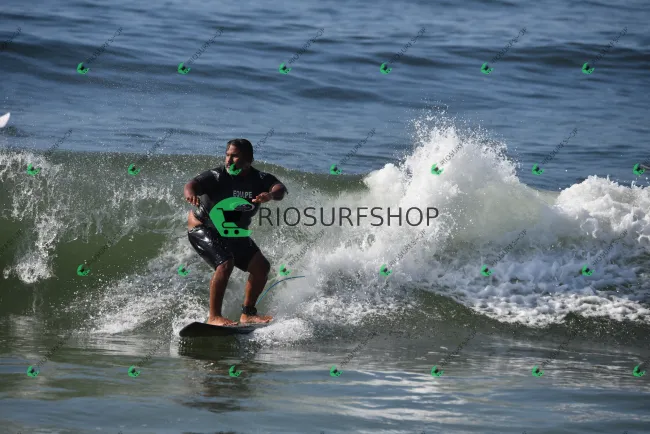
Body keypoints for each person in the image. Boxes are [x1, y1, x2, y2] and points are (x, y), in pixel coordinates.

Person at [184, 138, 288, 326]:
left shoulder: (259, 179)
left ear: (249, 159)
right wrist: (190, 194)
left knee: (261, 268)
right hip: (203, 227)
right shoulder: (217, 175)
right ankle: (214, 317)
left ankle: (248, 313)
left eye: (235, 156)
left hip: (232, 232)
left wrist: (270, 195)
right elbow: (192, 184)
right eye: (227, 155)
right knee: (225, 263)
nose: (229, 160)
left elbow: (280, 189)